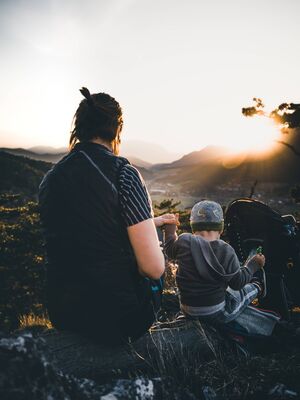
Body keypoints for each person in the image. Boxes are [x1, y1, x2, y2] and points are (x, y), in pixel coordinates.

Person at [39, 87, 176, 345]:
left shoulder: (50, 179)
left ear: (78, 128)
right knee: (156, 272)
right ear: (117, 129)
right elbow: (153, 268)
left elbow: (87, 230)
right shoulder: (123, 172)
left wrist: (150, 223)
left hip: (63, 312)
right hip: (119, 317)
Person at [164, 200, 268, 325]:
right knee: (241, 294)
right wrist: (253, 265)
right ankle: (258, 286)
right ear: (221, 228)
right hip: (216, 313)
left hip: (188, 310)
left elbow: (169, 250)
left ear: (193, 227)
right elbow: (237, 283)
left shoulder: (184, 241)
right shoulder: (226, 250)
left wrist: (171, 228)